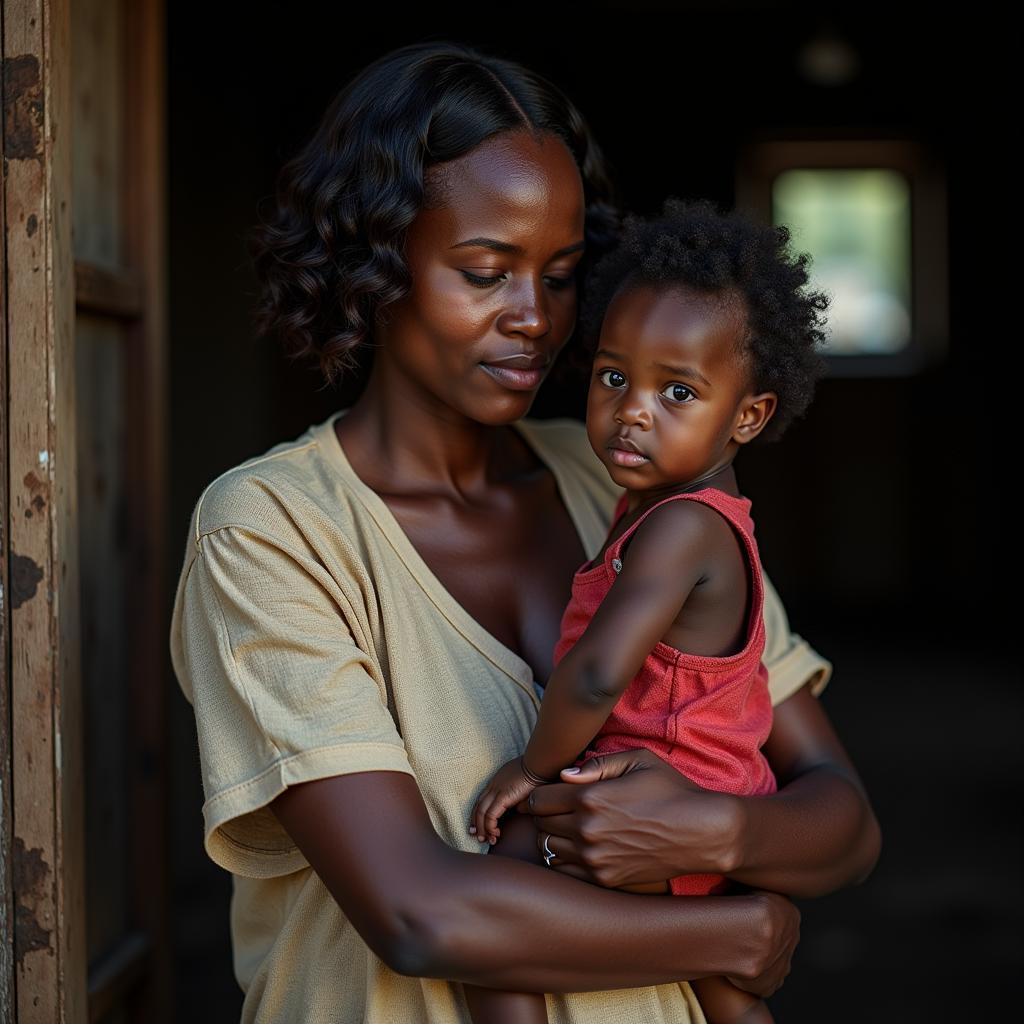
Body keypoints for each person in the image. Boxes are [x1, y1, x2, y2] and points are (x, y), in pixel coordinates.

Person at [169, 42, 881, 1024]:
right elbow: (419, 912)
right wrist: (733, 931)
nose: (534, 320)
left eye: (557, 275)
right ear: (375, 262)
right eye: (484, 271)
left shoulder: (630, 483)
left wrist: (712, 833)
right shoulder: (273, 528)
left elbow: (840, 819)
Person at [467, 199, 828, 1024]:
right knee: (720, 978)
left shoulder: (681, 529)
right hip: (704, 794)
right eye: (613, 375)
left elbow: (595, 676)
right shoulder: (679, 512)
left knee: (496, 894)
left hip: (673, 802)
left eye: (678, 390)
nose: (633, 408)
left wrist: (529, 768)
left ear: (748, 416)